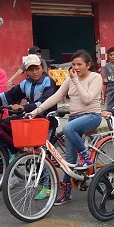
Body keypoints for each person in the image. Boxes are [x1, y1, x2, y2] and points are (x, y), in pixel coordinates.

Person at [30, 49, 103, 205]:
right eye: (73, 64)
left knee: (68, 128)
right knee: (68, 160)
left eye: (79, 64)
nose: (75, 67)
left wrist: (76, 80)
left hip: (91, 116)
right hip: (74, 118)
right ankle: (67, 192)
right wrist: (35, 112)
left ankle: (86, 158)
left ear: (88, 65)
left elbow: (88, 99)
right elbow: (55, 97)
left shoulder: (95, 77)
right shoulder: (70, 80)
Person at [0, 54, 58, 154]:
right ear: (26, 72)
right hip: (31, 118)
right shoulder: (26, 83)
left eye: (37, 68)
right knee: (3, 125)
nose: (34, 72)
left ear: (42, 68)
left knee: (40, 153)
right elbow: (10, 96)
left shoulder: (48, 82)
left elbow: (44, 102)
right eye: (30, 70)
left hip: (46, 119)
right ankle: (15, 153)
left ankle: (44, 167)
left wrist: (23, 107)